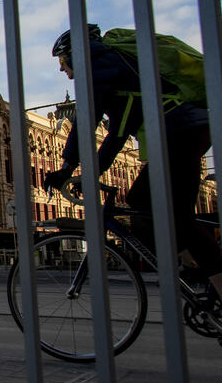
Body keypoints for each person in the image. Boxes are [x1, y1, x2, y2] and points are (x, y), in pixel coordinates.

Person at [44, 24, 222, 297]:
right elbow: (117, 134)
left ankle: (212, 280)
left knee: (177, 216)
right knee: (141, 198)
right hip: (185, 130)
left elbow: (87, 119)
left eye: (62, 60)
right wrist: (89, 172)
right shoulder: (117, 70)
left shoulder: (99, 66)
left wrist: (67, 167)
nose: (61, 69)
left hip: (180, 131)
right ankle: (193, 267)